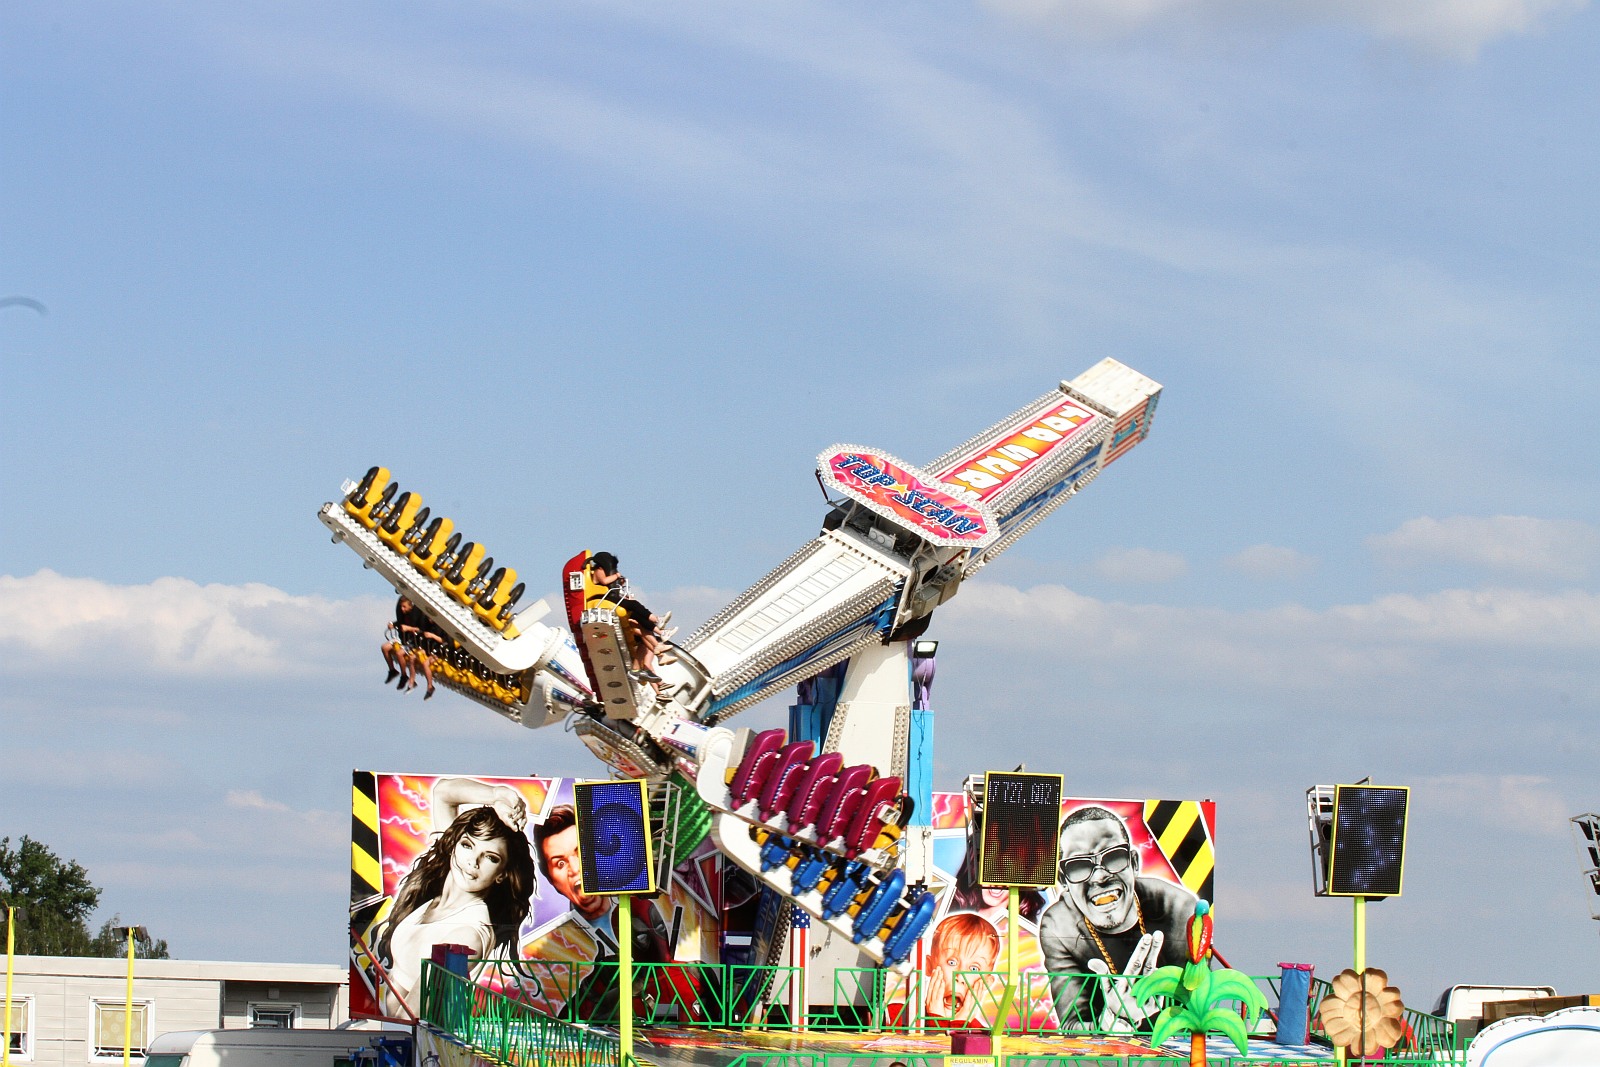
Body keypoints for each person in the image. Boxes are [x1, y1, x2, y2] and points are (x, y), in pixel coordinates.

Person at [373, 778, 536, 1017]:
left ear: (501, 875)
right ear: (454, 845)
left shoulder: (468, 933)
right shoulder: (444, 878)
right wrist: (498, 795)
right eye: (468, 845)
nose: (473, 862)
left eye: (491, 857)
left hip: (419, 1044)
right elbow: (443, 792)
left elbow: (413, 1016)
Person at [1037, 806, 1195, 1031]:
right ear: (1064, 881)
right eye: (1080, 865)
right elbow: (1072, 1025)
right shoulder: (1058, 926)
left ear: (1134, 863)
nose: (1100, 876)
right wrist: (1113, 1020)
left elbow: (1195, 1015)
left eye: (1113, 857)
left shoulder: (1180, 910)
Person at [532, 804, 672, 1021]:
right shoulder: (553, 940)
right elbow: (569, 1017)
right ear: (551, 880)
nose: (575, 869)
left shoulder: (636, 908)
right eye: (560, 862)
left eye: (581, 853)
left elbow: (665, 969)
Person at [950, 809, 1046, 927]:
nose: (997, 881)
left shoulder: (1027, 930)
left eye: (1009, 868)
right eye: (993, 865)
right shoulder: (952, 916)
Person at [586, 552, 672, 683]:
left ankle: (658, 640)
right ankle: (657, 623)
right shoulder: (598, 570)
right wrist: (616, 576)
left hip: (608, 598)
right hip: (601, 599)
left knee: (639, 617)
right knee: (634, 605)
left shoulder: (605, 574)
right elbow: (603, 581)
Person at [923, 912, 1001, 1025]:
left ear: (986, 983)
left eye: (974, 968)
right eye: (951, 962)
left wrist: (961, 1022)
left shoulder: (982, 1036)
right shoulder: (901, 1017)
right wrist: (935, 1017)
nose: (959, 977)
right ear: (929, 966)